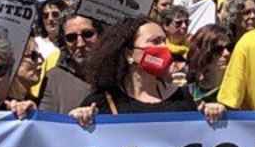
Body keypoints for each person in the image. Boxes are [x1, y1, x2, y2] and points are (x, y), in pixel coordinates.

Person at [67, 19, 199, 124]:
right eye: (155, 41)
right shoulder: (101, 103)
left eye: (164, 41)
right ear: (129, 54)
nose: (164, 47)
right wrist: (78, 120)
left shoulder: (182, 97)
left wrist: (213, 114)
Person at [39, 13, 102, 113]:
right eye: (71, 37)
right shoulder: (53, 78)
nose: (80, 43)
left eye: (88, 34)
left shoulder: (118, 75)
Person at [186, 24, 231, 107]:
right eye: (218, 49)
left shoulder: (236, 88)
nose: (227, 53)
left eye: (229, 47)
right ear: (203, 53)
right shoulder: (188, 92)